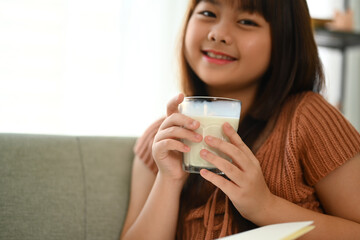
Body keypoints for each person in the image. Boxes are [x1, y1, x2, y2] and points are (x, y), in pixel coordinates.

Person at [120, 0, 360, 239]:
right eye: (207, 13)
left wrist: (265, 207)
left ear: (284, 40)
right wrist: (169, 180)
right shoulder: (160, 140)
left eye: (247, 21)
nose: (218, 34)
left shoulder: (308, 118)